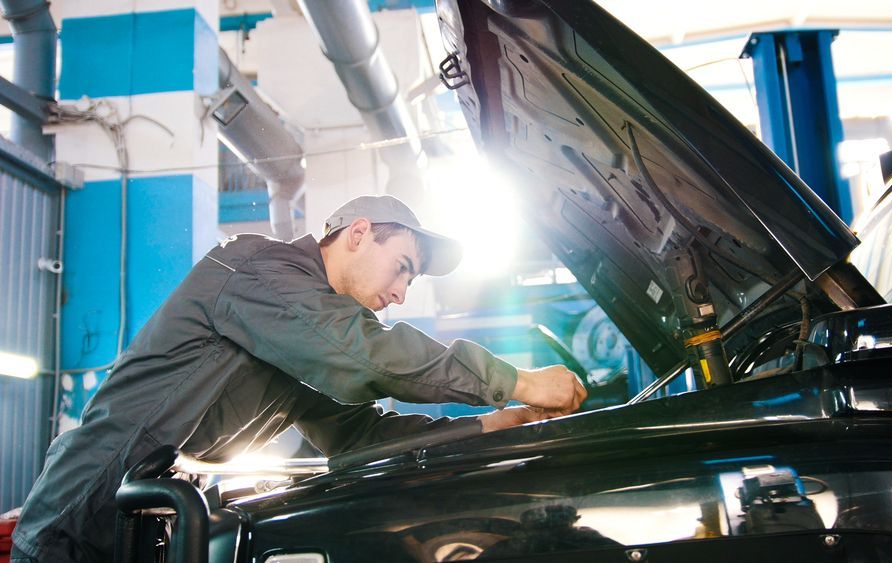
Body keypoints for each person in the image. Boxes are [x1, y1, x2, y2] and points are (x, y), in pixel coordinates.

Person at [11, 194, 587, 562]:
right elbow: (366, 354)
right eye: (402, 268)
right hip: (79, 520)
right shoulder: (258, 268)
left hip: (150, 529)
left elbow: (359, 438)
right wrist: (518, 381)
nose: (400, 293)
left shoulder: (300, 340)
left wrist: (488, 425)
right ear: (359, 233)